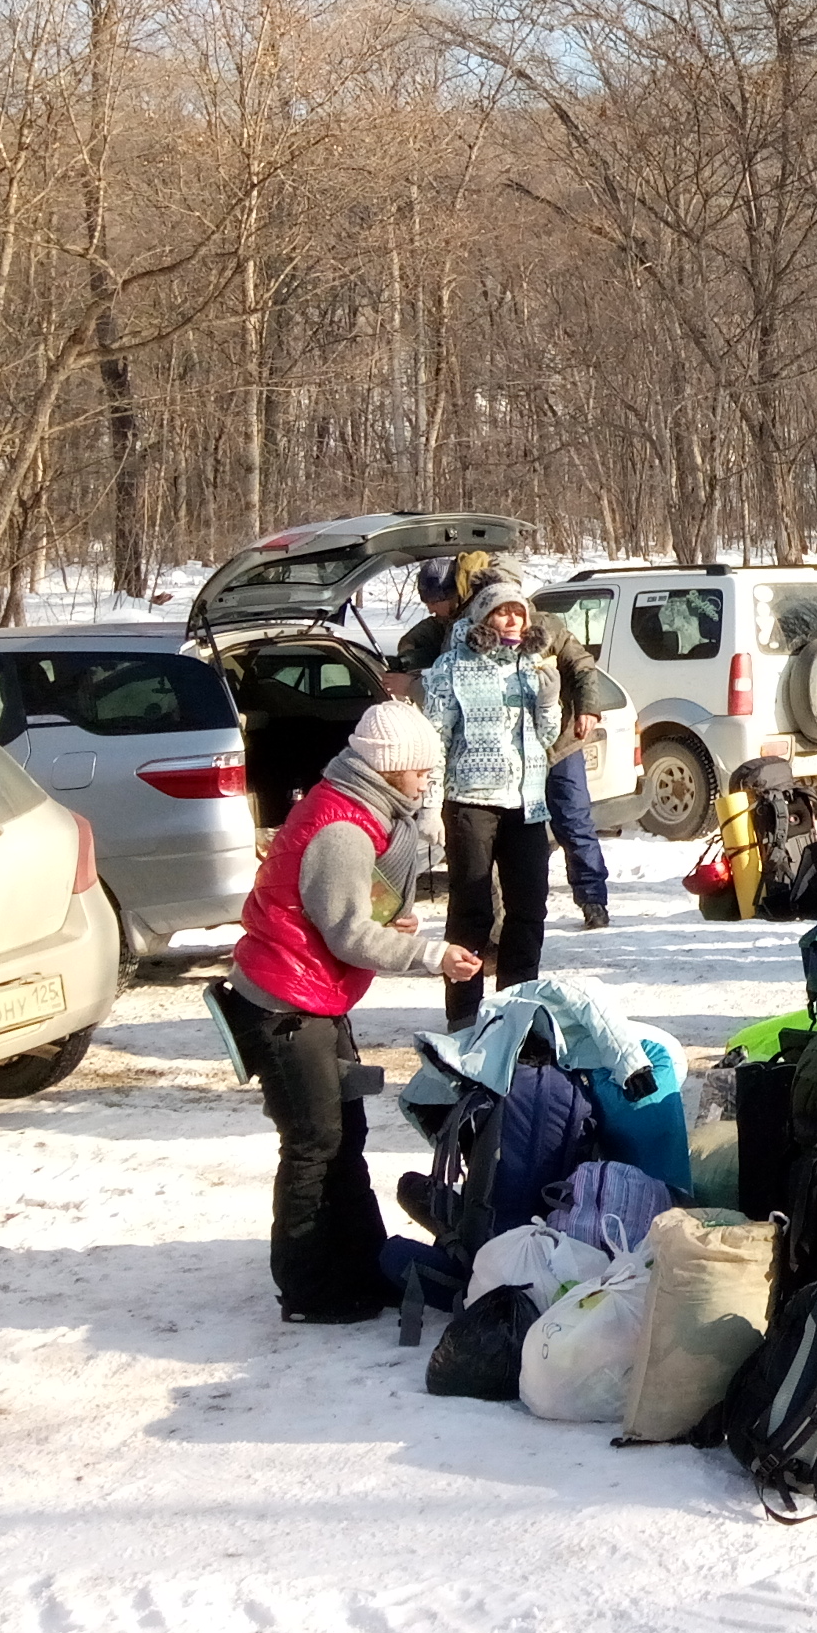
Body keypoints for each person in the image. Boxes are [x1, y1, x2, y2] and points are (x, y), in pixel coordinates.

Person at [210, 699, 480, 1323]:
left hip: (314, 997)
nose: (425, 781)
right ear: (387, 768)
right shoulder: (344, 828)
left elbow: (341, 914)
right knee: (313, 1145)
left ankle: (364, 1262)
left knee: (346, 1137)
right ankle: (307, 1288)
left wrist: (389, 918)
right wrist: (429, 954)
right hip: (284, 1005)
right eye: (418, 770)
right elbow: (347, 935)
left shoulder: (359, 807)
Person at [398, 553, 622, 932]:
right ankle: (493, 933)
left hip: (558, 744)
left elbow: (581, 666)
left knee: (573, 822)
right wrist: (414, 677)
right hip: (502, 768)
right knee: (498, 862)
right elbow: (427, 673)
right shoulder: (458, 632)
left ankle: (593, 898)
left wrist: (587, 708)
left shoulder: (544, 626)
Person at [420, 578, 563, 1029]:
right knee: (472, 908)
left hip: (527, 804)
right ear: (483, 617)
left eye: (519, 613)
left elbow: (545, 739)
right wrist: (428, 803)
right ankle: (464, 1015)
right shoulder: (451, 668)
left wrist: (551, 701)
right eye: (503, 612)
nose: (513, 621)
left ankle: (517, 1012)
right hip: (470, 801)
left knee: (529, 906)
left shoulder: (531, 666)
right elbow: (434, 737)